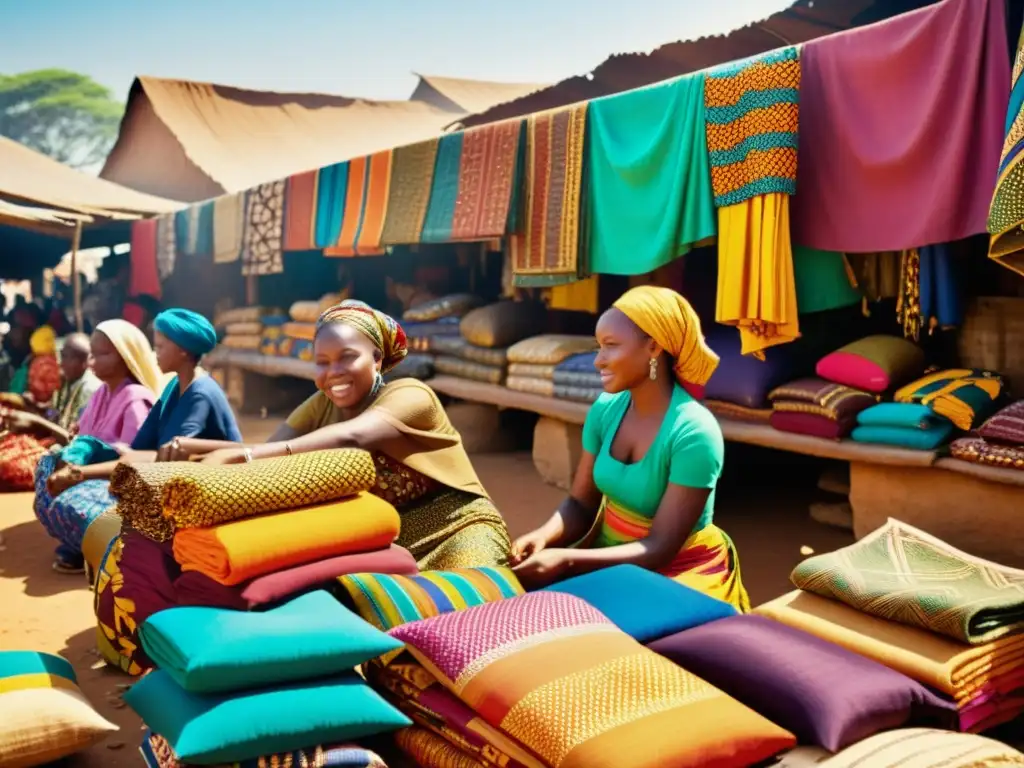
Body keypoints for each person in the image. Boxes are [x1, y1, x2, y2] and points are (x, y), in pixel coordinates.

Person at [168, 300, 512, 570]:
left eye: (347, 357)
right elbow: (271, 450)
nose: (333, 373)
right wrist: (196, 448)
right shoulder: (320, 404)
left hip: (456, 530)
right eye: (322, 362)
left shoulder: (412, 395)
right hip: (381, 540)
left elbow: (353, 437)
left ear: (377, 359)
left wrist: (242, 456)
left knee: (464, 603)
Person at [510, 286, 750, 612]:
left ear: (653, 347)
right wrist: (544, 536)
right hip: (606, 555)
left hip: (675, 570)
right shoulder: (606, 410)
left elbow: (660, 547)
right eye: (598, 347)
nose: (597, 361)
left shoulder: (694, 433)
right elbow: (581, 504)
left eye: (610, 346)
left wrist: (566, 561)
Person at [46, 308, 241, 500]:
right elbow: (142, 445)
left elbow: (167, 459)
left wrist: (82, 473)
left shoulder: (200, 393)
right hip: (175, 473)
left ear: (182, 351)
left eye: (160, 347)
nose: (154, 354)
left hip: (212, 482)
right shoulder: (174, 387)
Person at [34, 320, 162, 573]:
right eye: (92, 354)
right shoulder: (101, 393)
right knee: (45, 468)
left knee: (71, 499)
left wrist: (80, 472)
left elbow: (134, 465)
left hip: (118, 485)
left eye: (103, 354)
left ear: (125, 358)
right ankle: (79, 544)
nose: (92, 361)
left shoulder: (136, 399)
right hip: (90, 476)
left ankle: (110, 545)